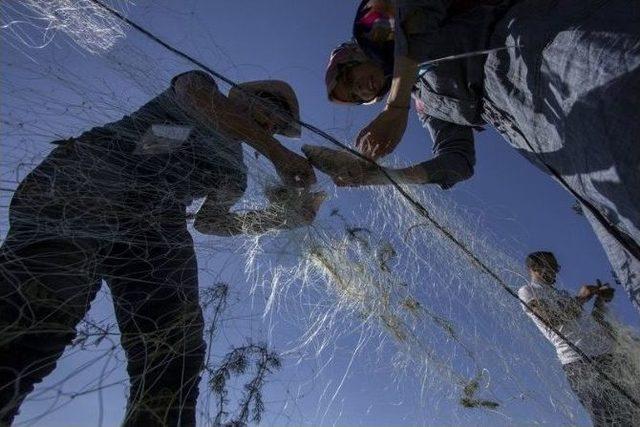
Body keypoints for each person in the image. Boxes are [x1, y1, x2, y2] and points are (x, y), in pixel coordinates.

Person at [0, 70, 322, 426]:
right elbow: (194, 103)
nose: (273, 121)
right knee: (34, 312)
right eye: (270, 105)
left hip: (154, 224)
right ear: (241, 94)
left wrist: (285, 218)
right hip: (89, 179)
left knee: (175, 353)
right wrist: (276, 153)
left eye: (280, 124)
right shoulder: (201, 88)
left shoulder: (235, 173)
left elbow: (210, 222)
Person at [309, 0, 640, 313]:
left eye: (350, 76)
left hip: (547, 54)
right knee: (623, 217)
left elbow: (413, 14)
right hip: (545, 138)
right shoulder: (426, 101)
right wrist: (381, 177)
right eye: (354, 95)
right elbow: (457, 161)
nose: (361, 89)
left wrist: (396, 108)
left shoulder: (375, 31)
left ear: (354, 54)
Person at [517, 251, 638, 426]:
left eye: (556, 267)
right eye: (551, 266)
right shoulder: (527, 291)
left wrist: (599, 301)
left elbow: (594, 323)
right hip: (581, 364)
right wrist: (581, 298)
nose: (555, 271)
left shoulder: (563, 295)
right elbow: (550, 319)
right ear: (534, 267)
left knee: (632, 413)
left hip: (610, 355)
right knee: (609, 420)